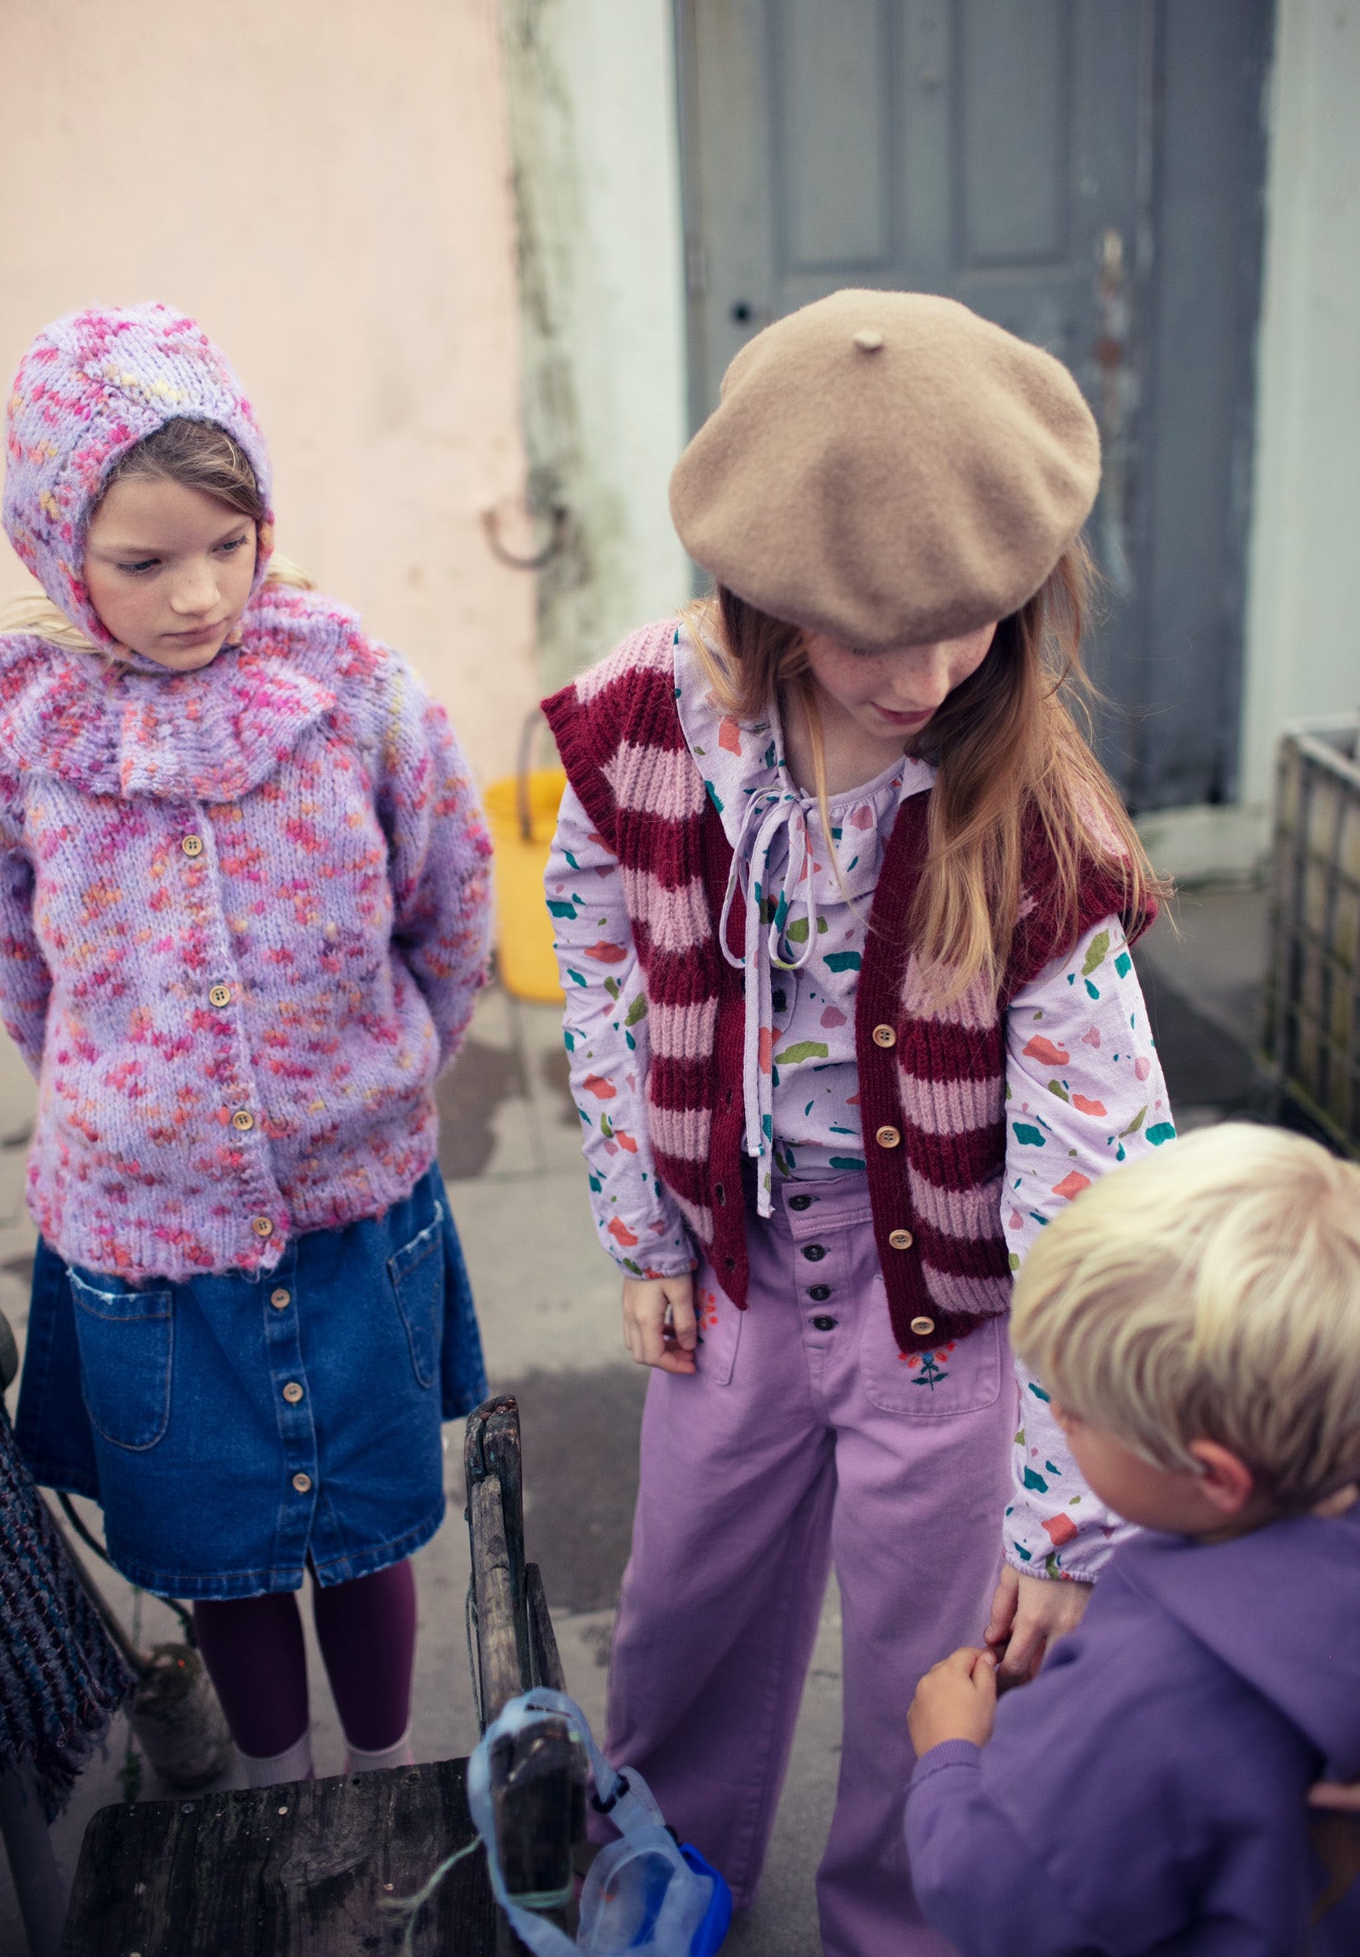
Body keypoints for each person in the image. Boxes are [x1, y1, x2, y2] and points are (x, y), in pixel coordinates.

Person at [541, 289, 1173, 1956]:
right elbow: (592, 930)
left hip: (953, 1317)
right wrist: (648, 1221)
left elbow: (1097, 1176)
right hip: (742, 1263)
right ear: (765, 594)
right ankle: (659, 1881)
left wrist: (1064, 1509)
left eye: (966, 620)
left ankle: (905, 1919)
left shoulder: (1037, 820)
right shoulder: (654, 720)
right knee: (683, 1603)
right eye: (865, 629)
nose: (924, 673)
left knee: (938, 1649)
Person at [0, 304, 493, 1786]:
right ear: (54, 549)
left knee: (364, 1535)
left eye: (229, 542)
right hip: (145, 1245)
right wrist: (122, 1106)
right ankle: (272, 1804)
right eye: (143, 562)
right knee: (222, 1558)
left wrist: (386, 1072)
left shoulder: (355, 695)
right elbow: (21, 961)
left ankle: (386, 1775)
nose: (198, 595)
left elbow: (454, 902)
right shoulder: (23, 735)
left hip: (357, 1208)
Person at [906, 1122, 1360, 1956]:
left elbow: (997, 1900)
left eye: (1075, 1411)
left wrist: (950, 1756)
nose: (1055, 1421)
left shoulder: (1151, 1683)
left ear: (1213, 1475)